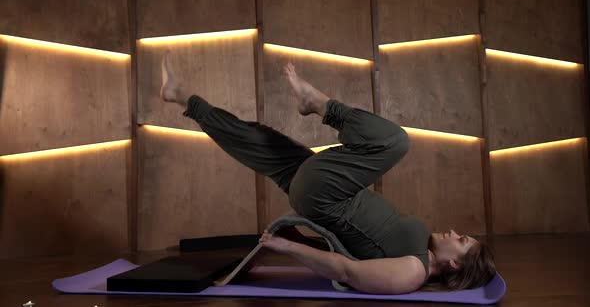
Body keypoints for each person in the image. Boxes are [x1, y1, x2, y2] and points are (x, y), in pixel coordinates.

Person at [159, 53, 496, 294]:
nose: (455, 233)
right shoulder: (421, 248)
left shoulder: (413, 271)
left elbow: (348, 271)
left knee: (394, 142)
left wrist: (286, 246)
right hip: (331, 190)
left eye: (462, 240)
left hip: (328, 196)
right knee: (255, 138)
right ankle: (180, 98)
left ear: (455, 265)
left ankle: (317, 102)